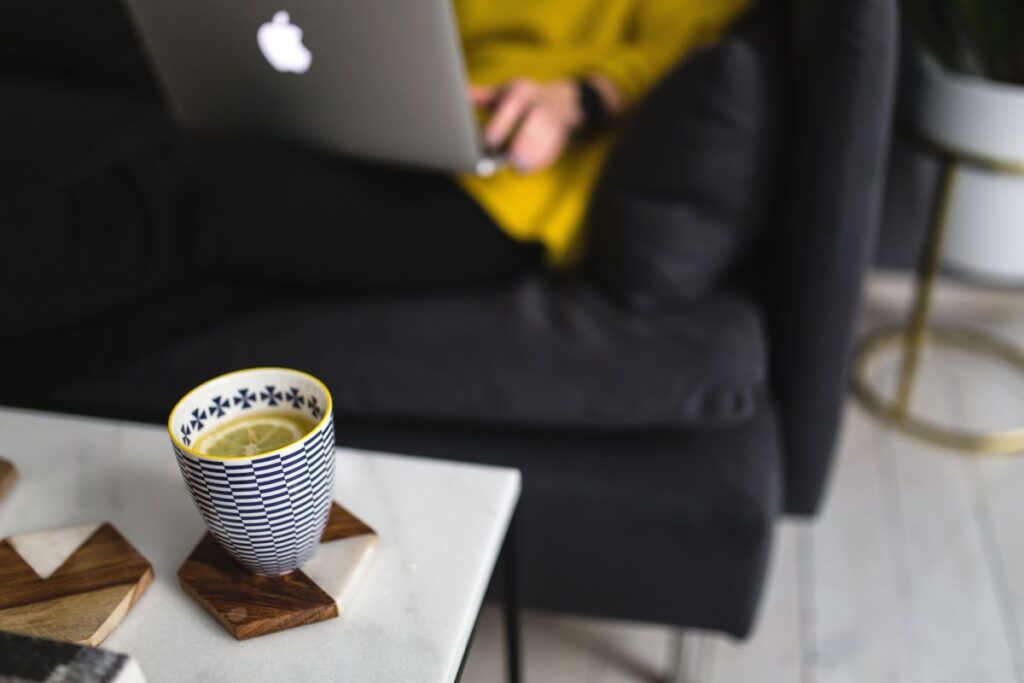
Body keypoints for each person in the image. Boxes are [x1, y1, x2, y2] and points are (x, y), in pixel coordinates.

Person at [3, 0, 749, 335]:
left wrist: (577, 95)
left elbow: (685, 46)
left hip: (494, 183)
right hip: (374, 97)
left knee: (197, 190)